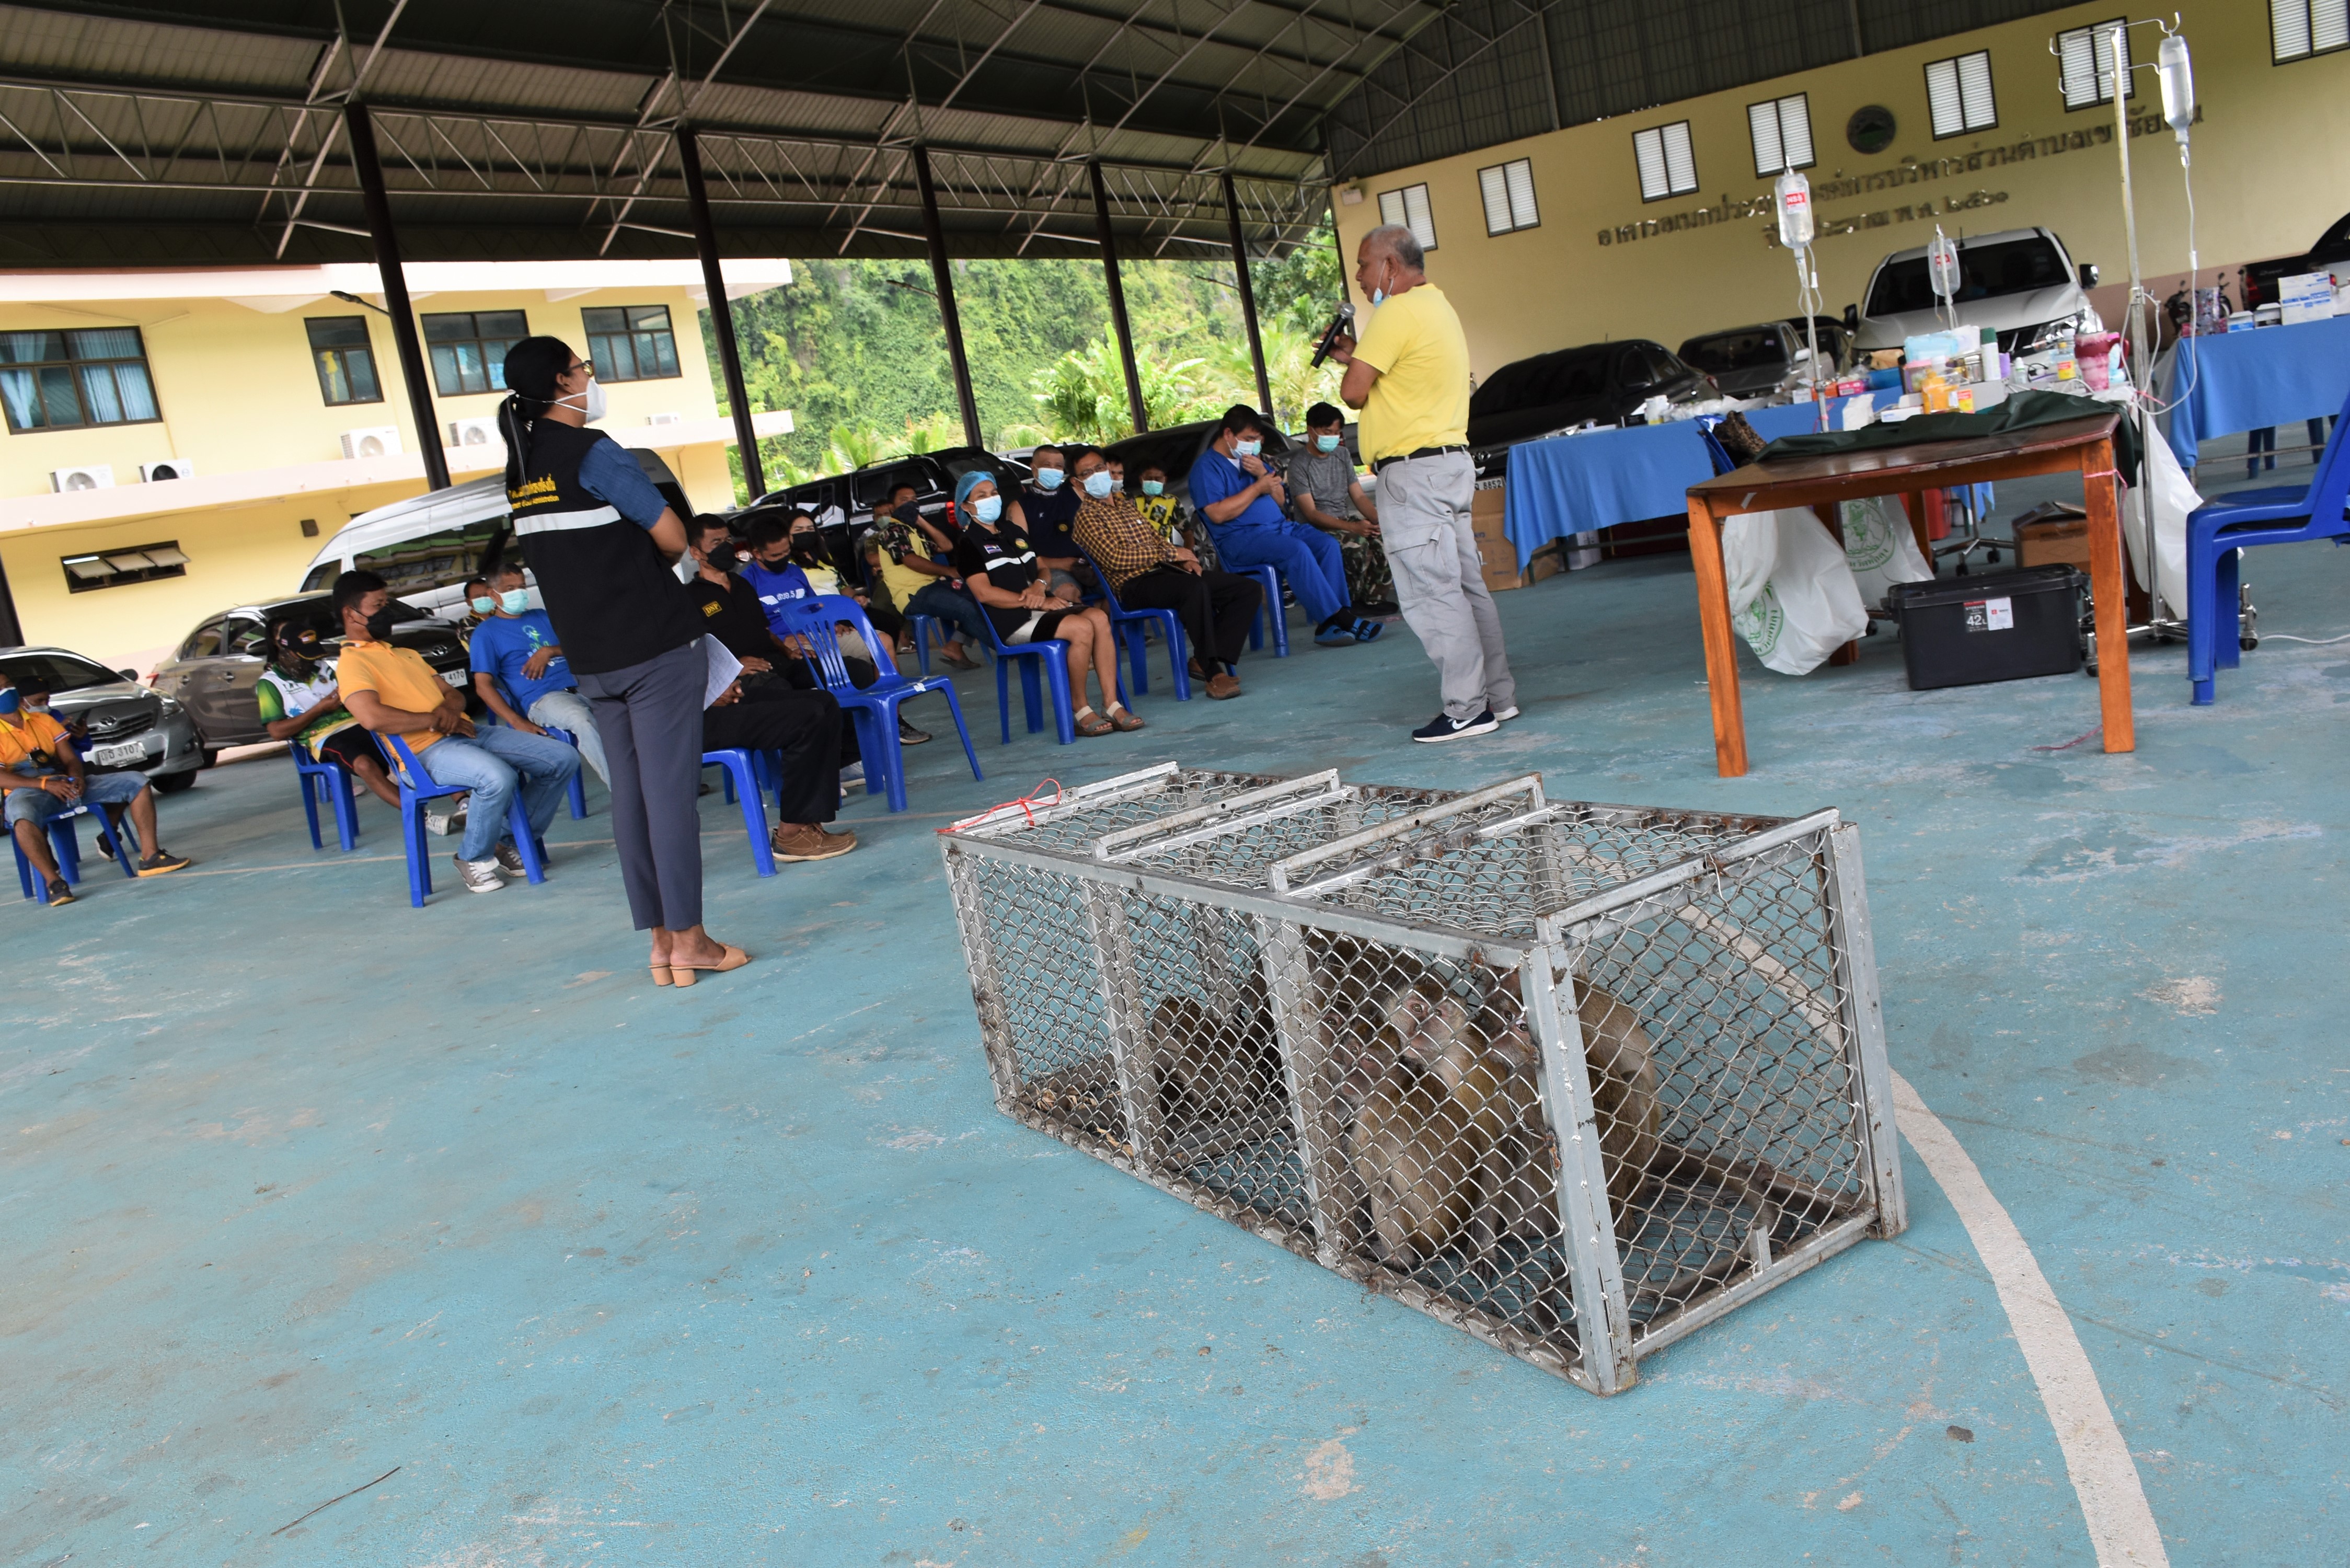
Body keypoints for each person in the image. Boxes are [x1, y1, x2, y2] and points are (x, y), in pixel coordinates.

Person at [497, 337, 745, 983]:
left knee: (633, 798)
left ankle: (663, 943)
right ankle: (690, 940)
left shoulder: (521, 468)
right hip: (655, 646)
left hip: (594, 660)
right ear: (562, 381)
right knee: (669, 799)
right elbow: (668, 535)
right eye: (582, 368)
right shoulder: (593, 451)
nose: (589, 376)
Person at [1331, 224, 1517, 743]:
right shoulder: (1435, 306)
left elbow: (1353, 394)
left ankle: (1467, 708)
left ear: (1390, 266)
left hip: (1413, 475)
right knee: (1464, 588)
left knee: (1433, 595)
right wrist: (1358, 355)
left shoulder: (1394, 311)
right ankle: (1497, 699)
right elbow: (1397, 380)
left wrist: (1353, 364)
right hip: (1448, 466)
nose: (1360, 276)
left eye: (1365, 266)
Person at [333, 570, 579, 894]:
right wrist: (436, 720)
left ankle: (503, 841)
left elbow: (454, 694)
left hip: (465, 732)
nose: (388, 612)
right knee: (497, 777)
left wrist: (448, 712)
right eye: (379, 605)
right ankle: (472, 855)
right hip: (422, 753)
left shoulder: (405, 653)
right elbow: (372, 717)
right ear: (352, 614)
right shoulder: (351, 663)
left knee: (561, 757)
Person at [950, 469, 1143, 736]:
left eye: (993, 493)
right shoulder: (968, 544)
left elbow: (1042, 568)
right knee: (1080, 628)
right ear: (966, 506)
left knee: (1099, 618)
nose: (990, 499)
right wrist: (1033, 601)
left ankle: (1111, 704)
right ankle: (1080, 709)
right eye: (981, 496)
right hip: (1011, 621)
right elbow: (984, 594)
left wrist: (1040, 587)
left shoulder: (1012, 531)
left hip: (1041, 606)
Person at [682, 514, 865, 791]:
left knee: (849, 672)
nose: (725, 547)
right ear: (696, 552)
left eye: (727, 541)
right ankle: (807, 774)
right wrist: (734, 667)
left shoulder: (742, 583)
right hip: (742, 677)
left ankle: (846, 762)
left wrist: (788, 649)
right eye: (716, 542)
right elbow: (695, 650)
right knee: (784, 696)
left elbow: (764, 629)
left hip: (777, 660)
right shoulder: (691, 597)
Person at [1068, 447, 1259, 700]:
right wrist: (1171, 556)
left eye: (1099, 468)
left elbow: (1156, 541)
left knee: (1246, 589)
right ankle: (1213, 672)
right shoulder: (1087, 517)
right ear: (1077, 482)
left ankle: (1206, 659)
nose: (1097, 475)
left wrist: (1183, 558)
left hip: (1164, 574)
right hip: (1133, 586)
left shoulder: (1126, 505)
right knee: (1194, 589)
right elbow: (1115, 558)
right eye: (1087, 473)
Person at [1188, 405, 1379, 649]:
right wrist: (1257, 488)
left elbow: (1279, 500)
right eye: (1249, 439)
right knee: (1296, 550)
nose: (1254, 444)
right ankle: (1338, 618)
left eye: (1258, 439)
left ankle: (1334, 619)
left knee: (1327, 544)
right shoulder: (1207, 468)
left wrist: (1261, 475)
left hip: (1279, 529)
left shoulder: (1252, 461)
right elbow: (1217, 514)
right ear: (1228, 434)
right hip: (1241, 539)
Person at [738, 516, 929, 746]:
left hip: (819, 634)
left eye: (786, 552)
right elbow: (754, 628)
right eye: (775, 556)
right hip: (789, 644)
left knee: (883, 641)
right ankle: (861, 730)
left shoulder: (795, 572)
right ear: (757, 554)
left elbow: (813, 605)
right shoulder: (746, 582)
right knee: (847, 671)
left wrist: (833, 622)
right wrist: (781, 643)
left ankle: (894, 720)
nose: (783, 560)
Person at [0, 672, 190, 902]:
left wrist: (77, 778)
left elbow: (70, 759)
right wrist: (44, 785)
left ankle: (150, 857)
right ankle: (55, 883)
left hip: (63, 782)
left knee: (136, 782)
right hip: (27, 790)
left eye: (8, 685)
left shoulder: (44, 721)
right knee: (22, 817)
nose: (6, 691)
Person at [467, 561, 610, 786]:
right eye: (510, 590)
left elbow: (581, 646)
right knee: (582, 721)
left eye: (522, 587)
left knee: (630, 706)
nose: (520, 594)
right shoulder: (485, 634)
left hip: (584, 683)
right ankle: (625, 793)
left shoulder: (542, 616)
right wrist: (516, 722)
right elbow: (483, 685)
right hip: (544, 698)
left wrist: (549, 651)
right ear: (493, 595)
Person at [701, 675, 856, 863]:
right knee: (805, 717)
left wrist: (721, 681)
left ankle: (810, 820)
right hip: (683, 721)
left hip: (702, 696)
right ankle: (792, 833)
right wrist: (705, 692)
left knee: (824, 702)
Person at [257, 621, 400, 808]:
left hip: (358, 725)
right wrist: (320, 709)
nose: (310, 661)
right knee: (365, 765)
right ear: (285, 651)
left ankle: (409, 785)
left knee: (403, 745)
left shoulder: (322, 668)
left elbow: (352, 697)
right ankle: (421, 817)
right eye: (304, 656)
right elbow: (277, 732)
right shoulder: (270, 684)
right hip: (324, 737)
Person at [1287, 401, 1396, 616]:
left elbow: (1358, 495)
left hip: (1344, 519)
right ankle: (1349, 601)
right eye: (1328, 432)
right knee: (1357, 544)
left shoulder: (1342, 455)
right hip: (1316, 528)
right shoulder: (1299, 465)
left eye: (1337, 433)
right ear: (1311, 430)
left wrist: (1378, 520)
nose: (1333, 438)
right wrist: (1353, 528)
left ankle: (1373, 600)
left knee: (1386, 538)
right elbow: (1312, 514)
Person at [865, 481, 984, 670]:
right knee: (965, 609)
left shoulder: (912, 531)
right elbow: (910, 560)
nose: (911, 503)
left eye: (914, 500)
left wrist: (919, 520)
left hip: (931, 588)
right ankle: (1011, 649)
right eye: (904, 501)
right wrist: (947, 571)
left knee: (979, 596)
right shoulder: (893, 531)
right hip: (913, 595)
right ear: (892, 507)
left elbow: (946, 546)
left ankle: (954, 646)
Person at [787, 510, 906, 664]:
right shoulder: (788, 564)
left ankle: (880, 668)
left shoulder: (823, 557)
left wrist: (856, 598)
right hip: (822, 614)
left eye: (810, 529)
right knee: (861, 630)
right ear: (788, 534)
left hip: (843, 607)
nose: (806, 533)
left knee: (888, 622)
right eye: (799, 530)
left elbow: (842, 585)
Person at [1020, 444, 1088, 597]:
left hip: (1088, 565)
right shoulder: (1021, 506)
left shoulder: (1076, 493)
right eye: (1047, 465)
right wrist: (1062, 563)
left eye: (1058, 466)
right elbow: (1022, 555)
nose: (1053, 470)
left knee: (1119, 587)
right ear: (1034, 468)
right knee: (1067, 591)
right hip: (1050, 569)